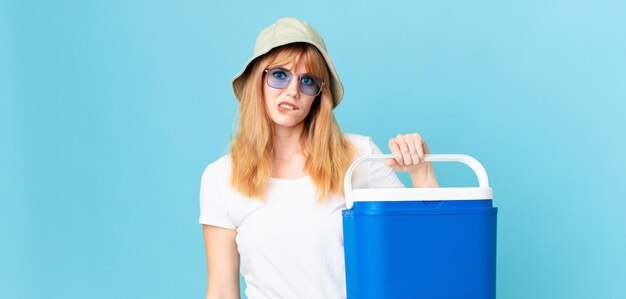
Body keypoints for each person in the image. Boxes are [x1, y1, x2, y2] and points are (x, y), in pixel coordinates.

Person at [199, 17, 439, 299]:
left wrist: (421, 172)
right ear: (258, 80)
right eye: (279, 75)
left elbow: (430, 248)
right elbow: (222, 291)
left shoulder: (359, 157)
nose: (292, 90)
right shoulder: (220, 177)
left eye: (307, 80)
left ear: (319, 94)